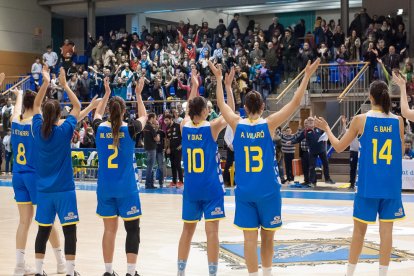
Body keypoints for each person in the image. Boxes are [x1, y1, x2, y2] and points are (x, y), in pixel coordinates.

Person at [215, 58, 320, 276]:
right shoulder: (269, 123)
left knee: (249, 239)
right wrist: (306, 76)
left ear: (244, 108)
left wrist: (222, 82)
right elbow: (295, 102)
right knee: (268, 237)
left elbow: (221, 105)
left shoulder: (237, 123)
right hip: (268, 191)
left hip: (245, 192)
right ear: (263, 107)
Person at [315, 75, 405, 276]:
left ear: (371, 98)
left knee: (359, 232)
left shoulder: (360, 120)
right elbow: (400, 151)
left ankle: (350, 273)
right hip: (390, 185)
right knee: (386, 232)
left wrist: (328, 129)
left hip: (368, 184)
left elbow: (338, 147)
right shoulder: (398, 121)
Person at [177, 67, 235, 276]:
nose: (209, 110)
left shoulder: (184, 126)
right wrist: (224, 84)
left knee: (187, 232)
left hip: (191, 189)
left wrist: (194, 87)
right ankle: (212, 273)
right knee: (212, 234)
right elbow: (229, 110)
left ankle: (180, 272)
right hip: (211, 188)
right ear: (203, 112)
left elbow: (186, 112)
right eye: (207, 108)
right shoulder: (211, 127)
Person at [31, 67, 83, 276]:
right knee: (70, 232)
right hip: (64, 190)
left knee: (43, 231)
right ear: (59, 116)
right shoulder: (64, 131)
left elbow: (35, 104)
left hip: (44, 191)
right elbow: (78, 106)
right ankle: (70, 272)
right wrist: (64, 84)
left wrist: (45, 83)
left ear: (44, 116)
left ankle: (38, 271)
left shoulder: (37, 129)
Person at [10, 84, 66, 276]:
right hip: (35, 176)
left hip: (18, 176)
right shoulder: (36, 124)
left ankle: (19, 265)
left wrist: (18, 94)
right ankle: (61, 263)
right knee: (46, 221)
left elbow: (18, 108)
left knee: (24, 221)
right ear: (35, 106)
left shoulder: (14, 121)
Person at [93, 77, 147, 276]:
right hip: (127, 189)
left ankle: (108, 271)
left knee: (109, 230)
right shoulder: (131, 128)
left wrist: (106, 93)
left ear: (109, 111)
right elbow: (145, 116)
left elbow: (97, 113)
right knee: (132, 230)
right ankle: (131, 272)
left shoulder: (99, 128)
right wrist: (139, 95)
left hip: (105, 189)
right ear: (124, 111)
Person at [164, 114, 183, 188]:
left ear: (171, 119)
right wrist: (167, 148)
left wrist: (181, 145)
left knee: (178, 164)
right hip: (171, 149)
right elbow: (167, 139)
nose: (165, 122)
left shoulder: (178, 126)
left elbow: (183, 136)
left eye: (167, 120)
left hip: (178, 148)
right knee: (172, 165)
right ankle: (174, 182)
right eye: (165, 120)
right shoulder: (167, 128)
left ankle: (181, 181)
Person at [143, 113, 160, 189]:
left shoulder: (145, 126)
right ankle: (148, 184)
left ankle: (149, 184)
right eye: (155, 118)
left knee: (149, 167)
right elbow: (156, 138)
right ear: (152, 118)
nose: (155, 120)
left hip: (146, 148)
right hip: (152, 148)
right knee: (150, 167)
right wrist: (158, 136)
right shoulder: (150, 127)